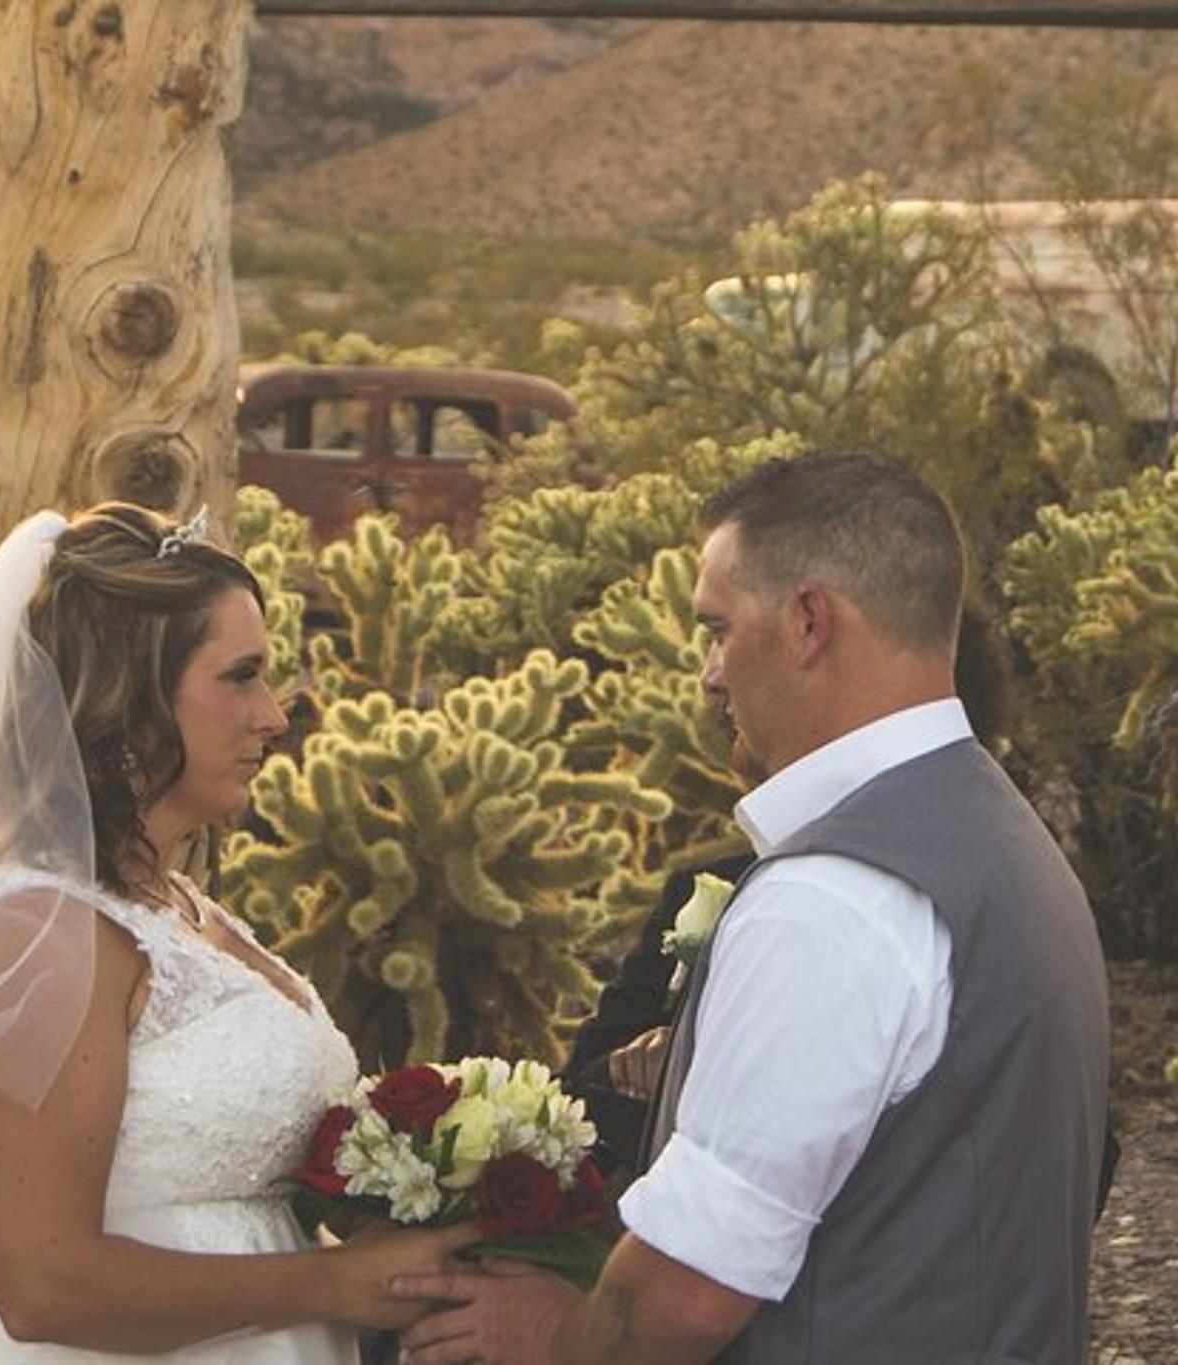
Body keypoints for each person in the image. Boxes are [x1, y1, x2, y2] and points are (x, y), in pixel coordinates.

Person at [0, 502, 471, 1364]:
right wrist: (333, 1284)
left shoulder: (177, 907)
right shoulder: (31, 929)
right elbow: (43, 1283)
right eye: (241, 676)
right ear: (129, 699)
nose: (274, 715)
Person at [394, 452, 1110, 1364]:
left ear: (809, 621)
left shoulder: (835, 895)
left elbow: (688, 1294)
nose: (708, 674)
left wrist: (545, 1329)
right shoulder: (1001, 839)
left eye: (717, 629)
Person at [563, 603, 1019, 1175]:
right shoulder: (711, 889)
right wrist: (657, 1066)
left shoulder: (965, 904)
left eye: (722, 637)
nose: (710, 680)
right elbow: (578, 1095)